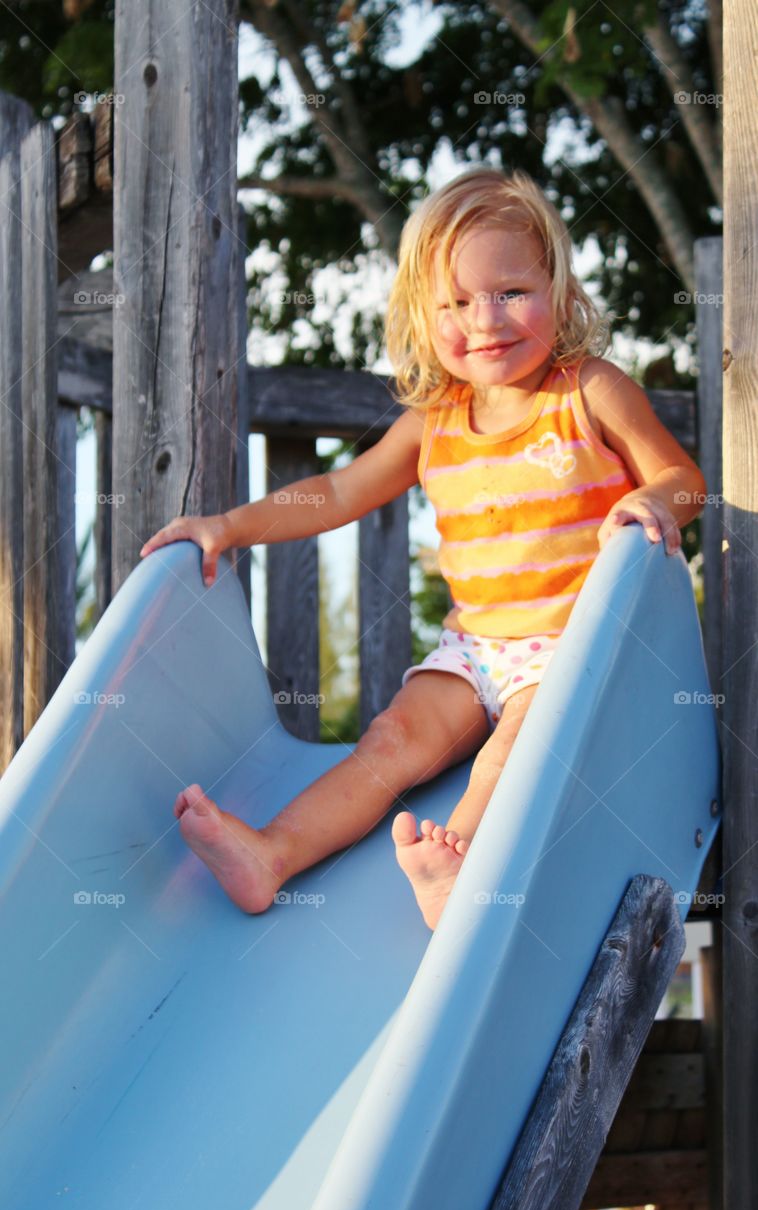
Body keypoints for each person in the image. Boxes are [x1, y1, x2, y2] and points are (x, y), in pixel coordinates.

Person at [139, 166, 706, 930]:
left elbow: (685, 479)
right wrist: (228, 527)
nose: (485, 320)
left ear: (561, 293)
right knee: (391, 740)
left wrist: (651, 497)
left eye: (511, 292)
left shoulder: (588, 392)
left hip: (580, 646)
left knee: (513, 749)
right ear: (422, 315)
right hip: (475, 650)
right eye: (457, 303)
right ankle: (269, 854)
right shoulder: (433, 422)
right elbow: (334, 494)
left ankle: (458, 860)